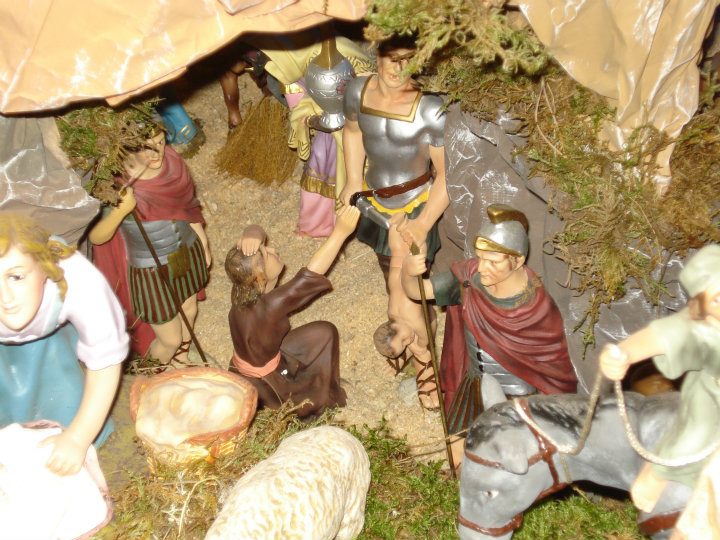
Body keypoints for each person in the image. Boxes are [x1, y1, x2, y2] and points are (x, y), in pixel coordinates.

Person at [401, 204, 578, 465]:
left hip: (519, 395)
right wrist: (408, 272)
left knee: (515, 458)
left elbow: (553, 368)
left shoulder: (537, 308)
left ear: (517, 261)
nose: (482, 267)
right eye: (480, 258)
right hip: (474, 386)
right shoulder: (468, 281)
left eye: (493, 262)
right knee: (458, 446)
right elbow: (419, 292)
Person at [0, 213, 128, 476]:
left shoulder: (78, 280)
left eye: (17, 277)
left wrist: (78, 437)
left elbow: (105, 359)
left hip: (51, 344)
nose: (5, 297)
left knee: (66, 399)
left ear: (44, 268)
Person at [599, 244, 720, 513]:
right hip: (713, 396)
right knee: (698, 433)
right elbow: (663, 336)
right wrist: (623, 353)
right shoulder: (703, 331)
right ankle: (658, 473)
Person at [225, 205, 360, 418]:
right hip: (268, 381)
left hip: (265, 358)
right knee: (325, 334)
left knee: (322, 332)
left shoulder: (244, 289)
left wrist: (252, 234)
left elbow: (255, 234)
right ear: (259, 274)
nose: (272, 250)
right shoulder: (268, 307)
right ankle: (317, 396)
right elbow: (309, 276)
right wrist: (340, 233)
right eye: (266, 254)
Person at [90, 129, 211, 365]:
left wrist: (203, 242)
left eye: (161, 142)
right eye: (147, 146)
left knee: (189, 310)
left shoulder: (173, 165)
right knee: (170, 339)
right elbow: (97, 236)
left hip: (186, 251)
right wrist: (121, 211)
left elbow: (188, 207)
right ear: (128, 147)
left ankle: (181, 359)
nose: (157, 152)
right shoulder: (115, 184)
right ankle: (152, 373)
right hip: (151, 270)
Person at [340, 33, 448, 281]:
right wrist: (353, 180)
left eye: (409, 59)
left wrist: (423, 223)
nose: (401, 68)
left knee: (412, 270)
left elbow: (446, 174)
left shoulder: (430, 109)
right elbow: (353, 131)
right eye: (394, 59)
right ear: (377, 55)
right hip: (375, 195)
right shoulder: (357, 91)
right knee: (386, 261)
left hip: (415, 200)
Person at [372, 216, 439, 409]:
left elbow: (425, 336)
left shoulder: (412, 318)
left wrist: (420, 347)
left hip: (409, 270)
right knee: (396, 247)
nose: (408, 340)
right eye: (405, 345)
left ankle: (420, 361)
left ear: (392, 326)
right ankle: (397, 222)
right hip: (397, 263)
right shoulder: (392, 313)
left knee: (416, 247)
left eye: (403, 340)